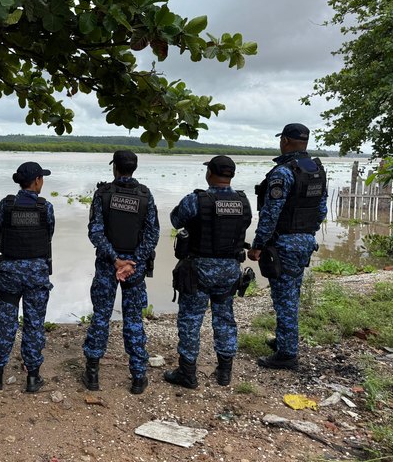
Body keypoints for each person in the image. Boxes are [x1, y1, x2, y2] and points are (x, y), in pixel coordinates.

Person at [165, 156, 252, 389]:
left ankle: (187, 373)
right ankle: (224, 372)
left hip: (199, 271)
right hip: (230, 270)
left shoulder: (196, 200)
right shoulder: (243, 201)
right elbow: (245, 224)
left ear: (210, 173)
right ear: (231, 175)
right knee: (224, 319)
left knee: (191, 320)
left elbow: (175, 220)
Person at [247, 123, 327, 370]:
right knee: (292, 293)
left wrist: (257, 245)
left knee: (285, 299)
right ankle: (284, 341)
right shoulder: (316, 169)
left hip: (284, 243)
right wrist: (305, 234)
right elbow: (321, 209)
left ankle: (287, 354)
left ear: (284, 141)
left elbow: (271, 214)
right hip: (304, 241)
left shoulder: (283, 172)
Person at [82, 150, 160, 394]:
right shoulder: (145, 196)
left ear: (115, 168)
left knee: (101, 317)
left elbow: (95, 232)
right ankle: (138, 378)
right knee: (134, 320)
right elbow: (152, 235)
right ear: (133, 168)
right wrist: (133, 262)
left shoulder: (103, 194)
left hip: (108, 265)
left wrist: (116, 260)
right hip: (134, 269)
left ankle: (93, 375)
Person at [0, 162, 55, 393]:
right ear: (36, 181)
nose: (42, 182)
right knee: (34, 324)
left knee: (6, 322)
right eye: (42, 178)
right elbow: (49, 234)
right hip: (36, 274)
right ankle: (33, 378)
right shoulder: (45, 207)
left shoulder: (6, 206)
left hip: (9, 273)